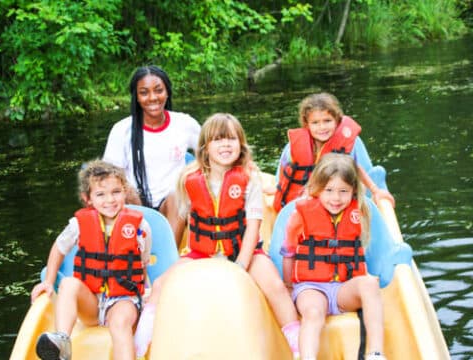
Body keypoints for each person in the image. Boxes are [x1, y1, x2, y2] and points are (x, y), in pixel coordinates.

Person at [134, 113, 300, 358]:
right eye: (218, 140)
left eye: (231, 139)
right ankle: (139, 347)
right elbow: (184, 219)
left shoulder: (249, 178)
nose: (225, 145)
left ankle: (297, 346)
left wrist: (241, 265)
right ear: (205, 147)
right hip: (202, 252)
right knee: (159, 286)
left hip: (244, 250)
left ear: (241, 144)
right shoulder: (189, 179)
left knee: (275, 286)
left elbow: (253, 227)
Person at [31, 160, 152, 360]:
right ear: (88, 198)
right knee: (69, 283)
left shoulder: (140, 227)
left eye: (116, 192)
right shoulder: (78, 224)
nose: (110, 200)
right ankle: (62, 340)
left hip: (124, 300)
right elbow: (58, 249)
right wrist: (48, 282)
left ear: (125, 191)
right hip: (92, 304)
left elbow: (142, 263)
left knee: (119, 324)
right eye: (100, 194)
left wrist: (145, 293)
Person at [281, 153, 386, 360]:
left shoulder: (359, 212)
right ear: (317, 188)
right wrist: (289, 286)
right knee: (312, 314)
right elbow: (288, 253)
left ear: (353, 191)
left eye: (343, 191)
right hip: (311, 288)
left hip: (343, 290)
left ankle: (375, 353)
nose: (336, 198)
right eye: (329, 190)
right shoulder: (300, 215)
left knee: (370, 284)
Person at [103, 65, 201, 247]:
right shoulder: (122, 130)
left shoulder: (184, 123)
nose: (153, 98)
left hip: (172, 204)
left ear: (167, 92)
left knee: (178, 195)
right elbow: (110, 175)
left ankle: (167, 258)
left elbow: (210, 153)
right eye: (144, 93)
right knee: (126, 190)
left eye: (158, 91)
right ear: (136, 97)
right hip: (135, 201)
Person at [271, 92, 394, 212]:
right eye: (315, 123)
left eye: (327, 121)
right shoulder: (294, 147)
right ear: (307, 124)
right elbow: (285, 172)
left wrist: (375, 190)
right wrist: (278, 189)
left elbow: (355, 167)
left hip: (335, 201)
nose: (322, 127)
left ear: (337, 121)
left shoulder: (340, 145)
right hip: (304, 202)